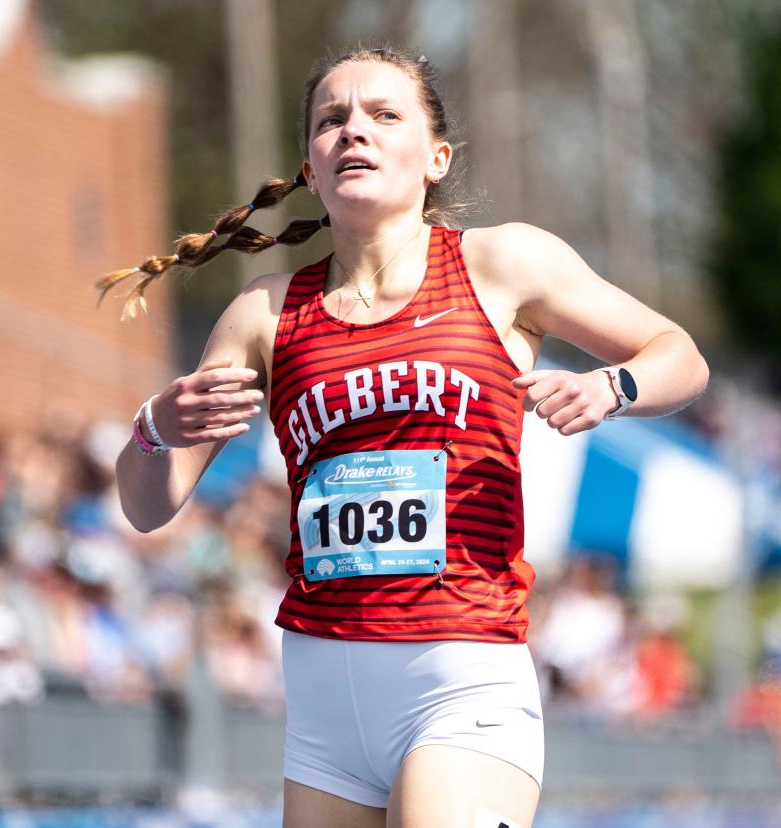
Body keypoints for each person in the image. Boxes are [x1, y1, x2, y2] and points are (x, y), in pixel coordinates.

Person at [98, 47, 708, 828]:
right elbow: (149, 508)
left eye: (385, 115)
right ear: (310, 169)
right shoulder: (264, 312)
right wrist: (154, 429)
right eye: (332, 120)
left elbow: (680, 357)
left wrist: (610, 386)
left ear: (435, 157)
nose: (356, 131)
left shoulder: (501, 264)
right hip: (323, 702)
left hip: (459, 677)